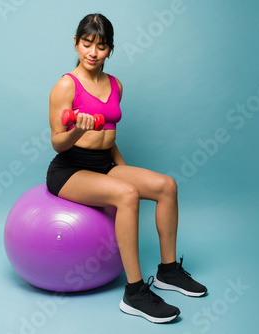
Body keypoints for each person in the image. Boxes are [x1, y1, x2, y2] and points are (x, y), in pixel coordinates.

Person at [46, 13, 207, 323]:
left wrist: (122, 169)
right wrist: (79, 129)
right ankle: (134, 293)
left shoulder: (116, 84)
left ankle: (168, 271)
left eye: (101, 46)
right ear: (76, 44)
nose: (93, 53)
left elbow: (109, 137)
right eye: (87, 44)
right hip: (68, 170)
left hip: (103, 163)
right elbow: (57, 143)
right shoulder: (65, 86)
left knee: (166, 186)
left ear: (111, 49)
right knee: (128, 195)